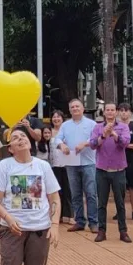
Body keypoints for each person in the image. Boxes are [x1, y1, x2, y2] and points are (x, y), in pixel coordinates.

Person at [0, 128, 60, 265]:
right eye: (15, 138)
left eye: (23, 136)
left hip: (40, 231)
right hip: (12, 231)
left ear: (30, 142)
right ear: (10, 148)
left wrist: (55, 225)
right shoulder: (4, 166)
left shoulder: (43, 166)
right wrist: (7, 218)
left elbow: (54, 198)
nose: (20, 139)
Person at [89, 103, 131, 243]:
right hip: (102, 170)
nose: (110, 112)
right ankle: (102, 231)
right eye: (107, 110)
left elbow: (125, 143)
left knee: (120, 202)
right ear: (104, 112)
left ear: (116, 112)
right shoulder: (97, 127)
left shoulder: (123, 127)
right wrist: (104, 135)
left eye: (113, 110)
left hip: (118, 170)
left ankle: (123, 231)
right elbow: (93, 144)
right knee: (102, 202)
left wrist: (113, 134)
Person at [55, 99, 97, 232]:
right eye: (72, 107)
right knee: (75, 193)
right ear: (69, 110)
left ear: (83, 108)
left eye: (77, 106)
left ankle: (93, 222)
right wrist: (62, 145)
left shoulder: (92, 124)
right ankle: (79, 221)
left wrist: (85, 143)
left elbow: (96, 139)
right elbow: (57, 138)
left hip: (88, 162)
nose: (75, 109)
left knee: (90, 193)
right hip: (71, 163)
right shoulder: (65, 125)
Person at [38, 112, 72, 225]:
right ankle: (58, 215)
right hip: (54, 166)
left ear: (63, 119)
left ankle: (69, 215)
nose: (56, 119)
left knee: (68, 191)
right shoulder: (49, 132)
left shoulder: (67, 130)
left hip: (67, 164)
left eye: (58, 117)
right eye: (54, 117)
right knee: (57, 191)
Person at [118, 103, 133, 221]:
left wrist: (127, 145)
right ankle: (120, 210)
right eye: (121, 110)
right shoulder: (115, 127)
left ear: (130, 113)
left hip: (132, 160)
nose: (124, 113)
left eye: (126, 110)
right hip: (118, 161)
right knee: (119, 187)